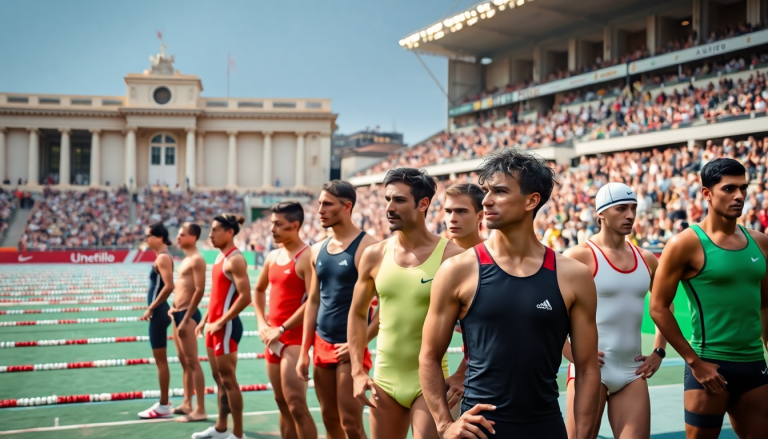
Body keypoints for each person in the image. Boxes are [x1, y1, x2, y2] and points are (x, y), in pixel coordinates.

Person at [419, 149, 601, 439]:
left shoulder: (574, 276)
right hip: (479, 432)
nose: (487, 200)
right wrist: (444, 424)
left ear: (532, 200)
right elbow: (429, 356)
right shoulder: (457, 270)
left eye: (500, 191)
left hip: (546, 428)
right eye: (486, 191)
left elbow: (588, 367)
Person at [650, 158, 768, 438]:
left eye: (743, 188)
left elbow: (765, 304)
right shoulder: (685, 243)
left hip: (755, 367)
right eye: (729, 189)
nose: (739, 196)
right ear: (707, 194)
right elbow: (658, 308)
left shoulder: (761, 242)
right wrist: (695, 363)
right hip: (709, 365)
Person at [348, 168, 464, 439]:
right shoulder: (374, 255)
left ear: (423, 204)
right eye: (387, 199)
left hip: (431, 383)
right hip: (384, 380)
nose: (389, 207)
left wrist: (461, 373)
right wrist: (357, 371)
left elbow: (480, 325)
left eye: (399, 200)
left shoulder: (453, 256)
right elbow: (356, 314)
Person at [562, 182, 666, 439]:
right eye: (621, 208)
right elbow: (548, 309)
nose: (630, 215)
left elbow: (663, 305)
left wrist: (659, 351)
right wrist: (568, 350)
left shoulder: (647, 258)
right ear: (601, 214)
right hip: (590, 370)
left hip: (632, 372)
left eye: (633, 208)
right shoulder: (578, 256)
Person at [297, 181, 378, 439]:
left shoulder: (370, 248)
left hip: (349, 346)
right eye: (319, 203)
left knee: (351, 424)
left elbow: (387, 303)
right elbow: (313, 301)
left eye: (327, 204)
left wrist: (362, 339)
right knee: (329, 418)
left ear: (347, 206)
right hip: (321, 342)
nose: (320, 210)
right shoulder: (317, 249)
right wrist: (303, 351)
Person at [254, 202, 317, 439]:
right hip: (272, 338)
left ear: (295, 225)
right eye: (271, 223)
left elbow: (313, 300)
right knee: (280, 403)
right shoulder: (272, 256)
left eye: (278, 224)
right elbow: (258, 290)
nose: (272, 229)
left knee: (296, 406)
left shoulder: (307, 256)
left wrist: (281, 328)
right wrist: (262, 324)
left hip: (293, 339)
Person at [192, 214, 251, 439]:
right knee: (219, 380)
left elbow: (244, 297)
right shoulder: (219, 257)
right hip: (214, 326)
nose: (210, 234)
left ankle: (237, 434)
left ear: (230, 232)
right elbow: (218, 296)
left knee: (229, 381)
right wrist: (205, 319)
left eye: (216, 230)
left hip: (226, 328)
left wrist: (220, 322)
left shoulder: (235, 259)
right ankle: (220, 428)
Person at [441, 183, 485, 420]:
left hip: (479, 376)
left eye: (461, 211)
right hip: (427, 370)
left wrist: (461, 373)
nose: (452, 218)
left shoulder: (493, 258)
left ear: (480, 216)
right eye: (448, 211)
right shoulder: (436, 256)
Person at [170, 222, 207, 422]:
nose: (178, 237)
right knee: (184, 363)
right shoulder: (185, 259)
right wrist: (173, 308)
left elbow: (199, 290)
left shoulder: (197, 260)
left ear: (193, 237)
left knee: (193, 362)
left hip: (188, 316)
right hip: (177, 313)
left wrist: (185, 316)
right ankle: (187, 403)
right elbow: (182, 288)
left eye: (182, 234)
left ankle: (200, 409)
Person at [138, 222, 175, 419]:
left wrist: (150, 308)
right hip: (159, 312)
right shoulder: (162, 257)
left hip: (159, 313)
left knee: (161, 362)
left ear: (159, 237)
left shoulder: (162, 258)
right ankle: (164, 402)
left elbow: (169, 286)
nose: (146, 239)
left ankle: (163, 404)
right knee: (160, 361)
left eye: (149, 235)